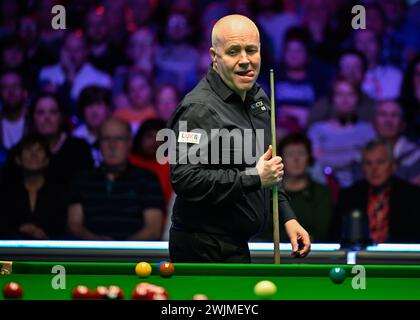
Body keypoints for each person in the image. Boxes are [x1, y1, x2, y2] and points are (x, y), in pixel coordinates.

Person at [167, 15, 310, 263]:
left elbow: (269, 168)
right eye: (234, 52)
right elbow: (184, 178)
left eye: (251, 50)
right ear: (215, 55)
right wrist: (254, 178)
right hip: (201, 246)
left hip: (236, 245)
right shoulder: (198, 108)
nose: (245, 60)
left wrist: (288, 217)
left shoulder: (258, 99)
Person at [67, 117, 165, 240]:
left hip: (136, 257)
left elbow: (153, 229)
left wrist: (120, 251)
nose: (112, 146)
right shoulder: (81, 179)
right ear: (99, 144)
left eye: (119, 139)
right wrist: (101, 247)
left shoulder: (148, 179)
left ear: (129, 143)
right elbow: (74, 226)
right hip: (90, 256)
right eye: (106, 139)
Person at [337, 139, 420, 244]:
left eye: (380, 162)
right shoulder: (349, 196)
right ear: (362, 168)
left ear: (393, 166)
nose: (374, 169)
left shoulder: (413, 197)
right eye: (368, 163)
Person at [0, 133, 66, 239]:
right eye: (28, 150)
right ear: (18, 159)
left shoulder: (59, 191)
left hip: (50, 251)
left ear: (46, 160)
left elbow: (62, 227)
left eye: (39, 150)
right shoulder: (6, 191)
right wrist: (20, 229)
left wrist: (42, 234)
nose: (33, 154)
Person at [373, 100, 420, 185]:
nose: (388, 121)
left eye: (394, 115)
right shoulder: (363, 155)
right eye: (383, 115)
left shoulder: (416, 155)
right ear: (374, 123)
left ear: (403, 124)